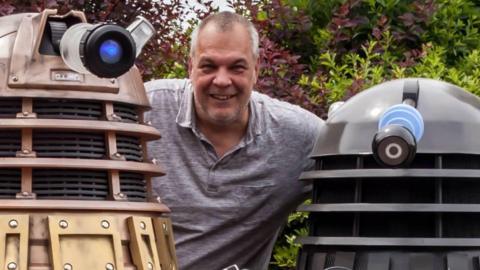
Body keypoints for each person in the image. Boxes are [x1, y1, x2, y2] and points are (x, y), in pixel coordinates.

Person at [145, 11, 324, 270]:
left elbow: (362, 169)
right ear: (191, 66)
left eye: (236, 67)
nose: (221, 80)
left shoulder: (298, 136)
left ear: (255, 68)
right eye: (208, 66)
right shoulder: (144, 109)